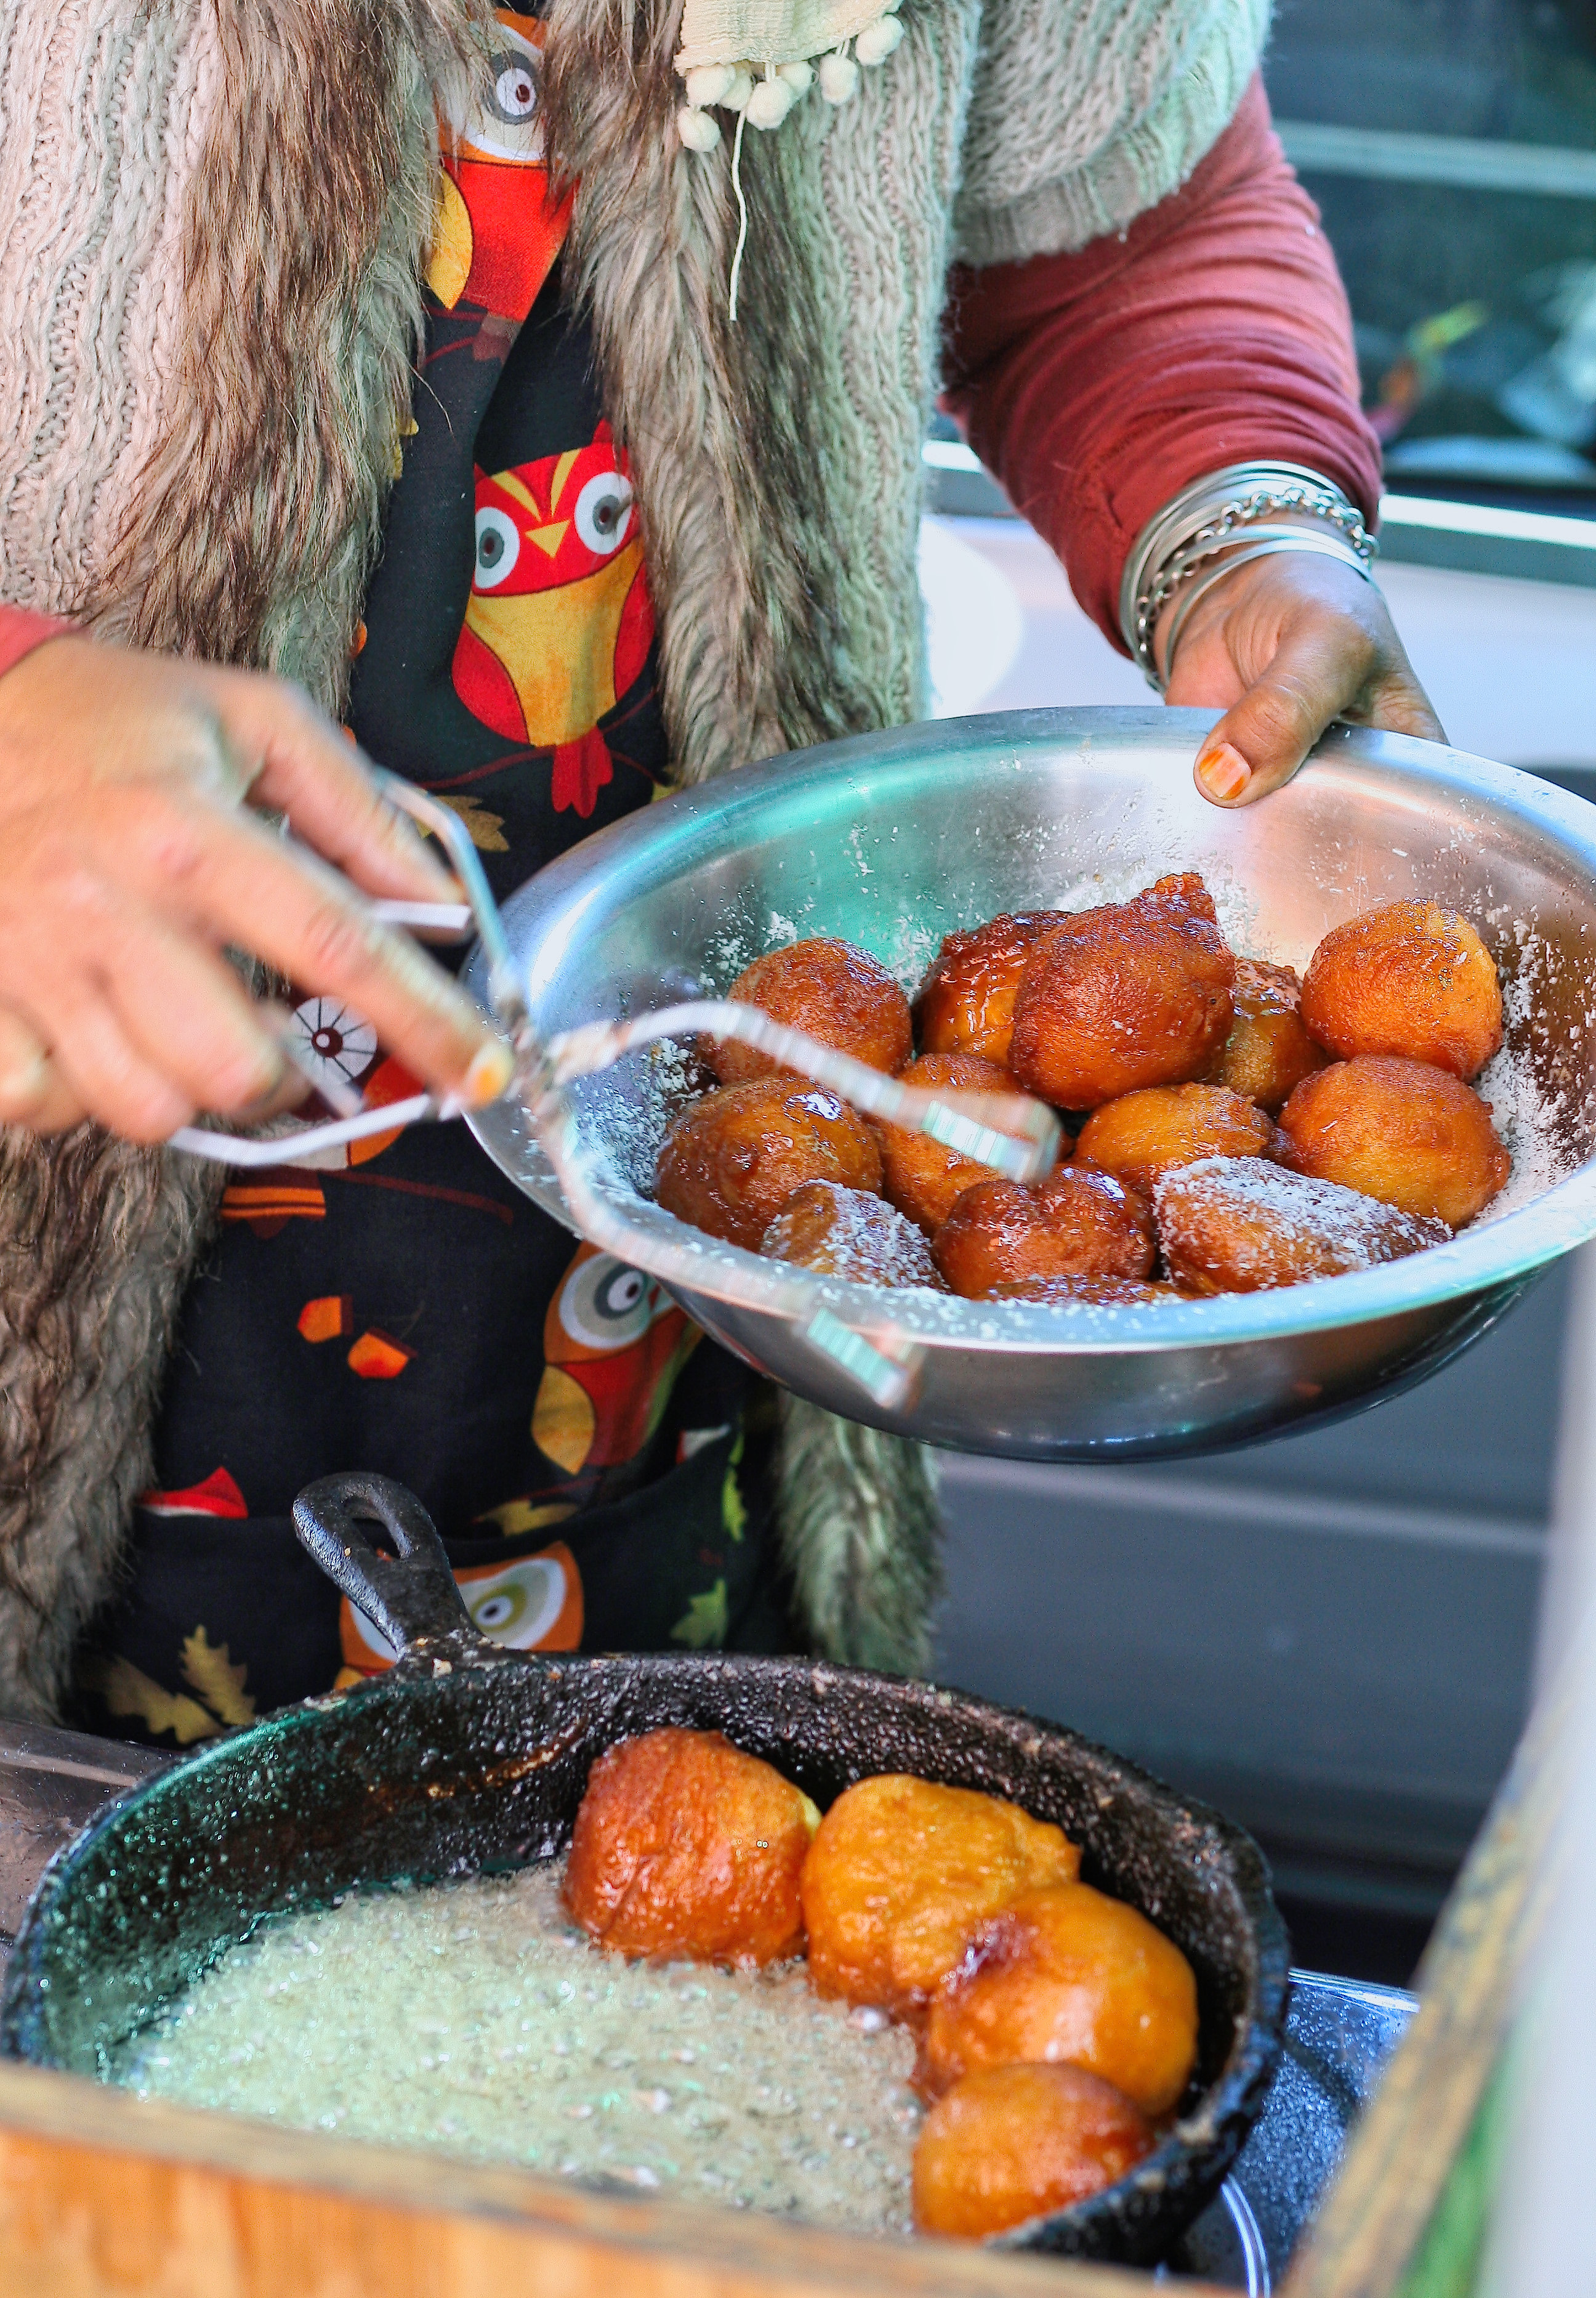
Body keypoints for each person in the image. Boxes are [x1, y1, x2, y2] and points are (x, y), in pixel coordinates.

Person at [0, 0, 1440, 1741]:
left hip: (672, 1301)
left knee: (624, 1902)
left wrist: (1240, 522)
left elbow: (1116, 226)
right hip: (58, 1209)